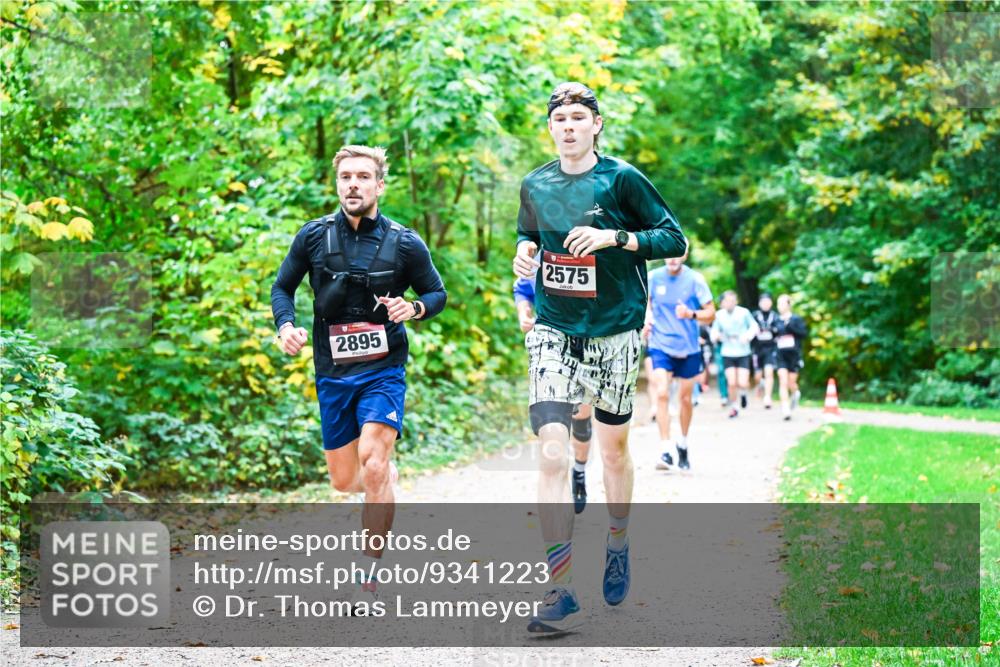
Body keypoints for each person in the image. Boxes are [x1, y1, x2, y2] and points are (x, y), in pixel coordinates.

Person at [513, 82, 687, 633]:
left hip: (615, 331)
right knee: (552, 454)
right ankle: (560, 588)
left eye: (577, 118)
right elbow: (528, 235)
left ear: (596, 125)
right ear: (550, 127)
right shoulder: (535, 183)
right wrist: (524, 253)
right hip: (554, 329)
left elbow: (674, 240)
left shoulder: (622, 178)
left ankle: (617, 540)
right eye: (559, 119)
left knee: (613, 452)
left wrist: (615, 239)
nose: (568, 126)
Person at [270, 145, 447, 602]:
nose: (353, 184)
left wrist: (414, 308)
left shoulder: (405, 242)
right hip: (332, 372)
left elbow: (436, 293)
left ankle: (368, 574)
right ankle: (383, 479)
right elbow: (282, 287)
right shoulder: (313, 237)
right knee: (344, 481)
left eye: (363, 177)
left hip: (382, 370)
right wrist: (285, 326)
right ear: (337, 184)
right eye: (346, 176)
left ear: (379, 185)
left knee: (373, 460)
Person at [514, 276, 593, 514]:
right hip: (550, 351)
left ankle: (579, 471)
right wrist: (523, 313)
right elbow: (522, 289)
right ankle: (558, 483)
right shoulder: (538, 258)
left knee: (581, 421)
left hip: (588, 347)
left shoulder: (590, 254)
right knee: (554, 431)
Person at [644, 250, 715, 472]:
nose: (673, 258)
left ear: (684, 256)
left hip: (688, 347)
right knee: (662, 393)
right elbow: (644, 300)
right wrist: (647, 317)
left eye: (678, 254)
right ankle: (665, 450)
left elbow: (711, 313)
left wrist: (691, 314)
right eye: (669, 254)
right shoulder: (654, 277)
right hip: (660, 344)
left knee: (685, 399)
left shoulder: (695, 279)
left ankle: (682, 443)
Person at [710, 290, 759, 418]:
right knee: (731, 382)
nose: (729, 303)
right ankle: (734, 406)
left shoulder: (744, 312)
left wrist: (747, 336)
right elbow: (714, 331)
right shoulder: (719, 315)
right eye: (727, 301)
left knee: (742, 382)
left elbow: (754, 326)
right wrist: (716, 336)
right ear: (723, 302)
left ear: (736, 301)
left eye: (732, 301)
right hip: (727, 352)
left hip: (743, 351)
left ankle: (743, 394)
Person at [774, 293, 808, 420]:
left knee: (791, 382)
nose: (780, 306)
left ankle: (795, 393)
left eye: (782, 303)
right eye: (778, 303)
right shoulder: (776, 320)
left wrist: (790, 326)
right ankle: (785, 409)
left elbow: (803, 334)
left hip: (794, 354)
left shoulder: (796, 319)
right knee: (782, 381)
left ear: (789, 305)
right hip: (780, 354)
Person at [751, 292, 779, 410]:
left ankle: (767, 397)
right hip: (757, 350)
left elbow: (780, 330)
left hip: (770, 349)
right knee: (757, 375)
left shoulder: (775, 316)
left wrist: (774, 330)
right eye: (763, 302)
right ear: (759, 303)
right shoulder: (754, 316)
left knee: (769, 372)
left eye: (768, 301)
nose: (765, 304)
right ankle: (760, 384)